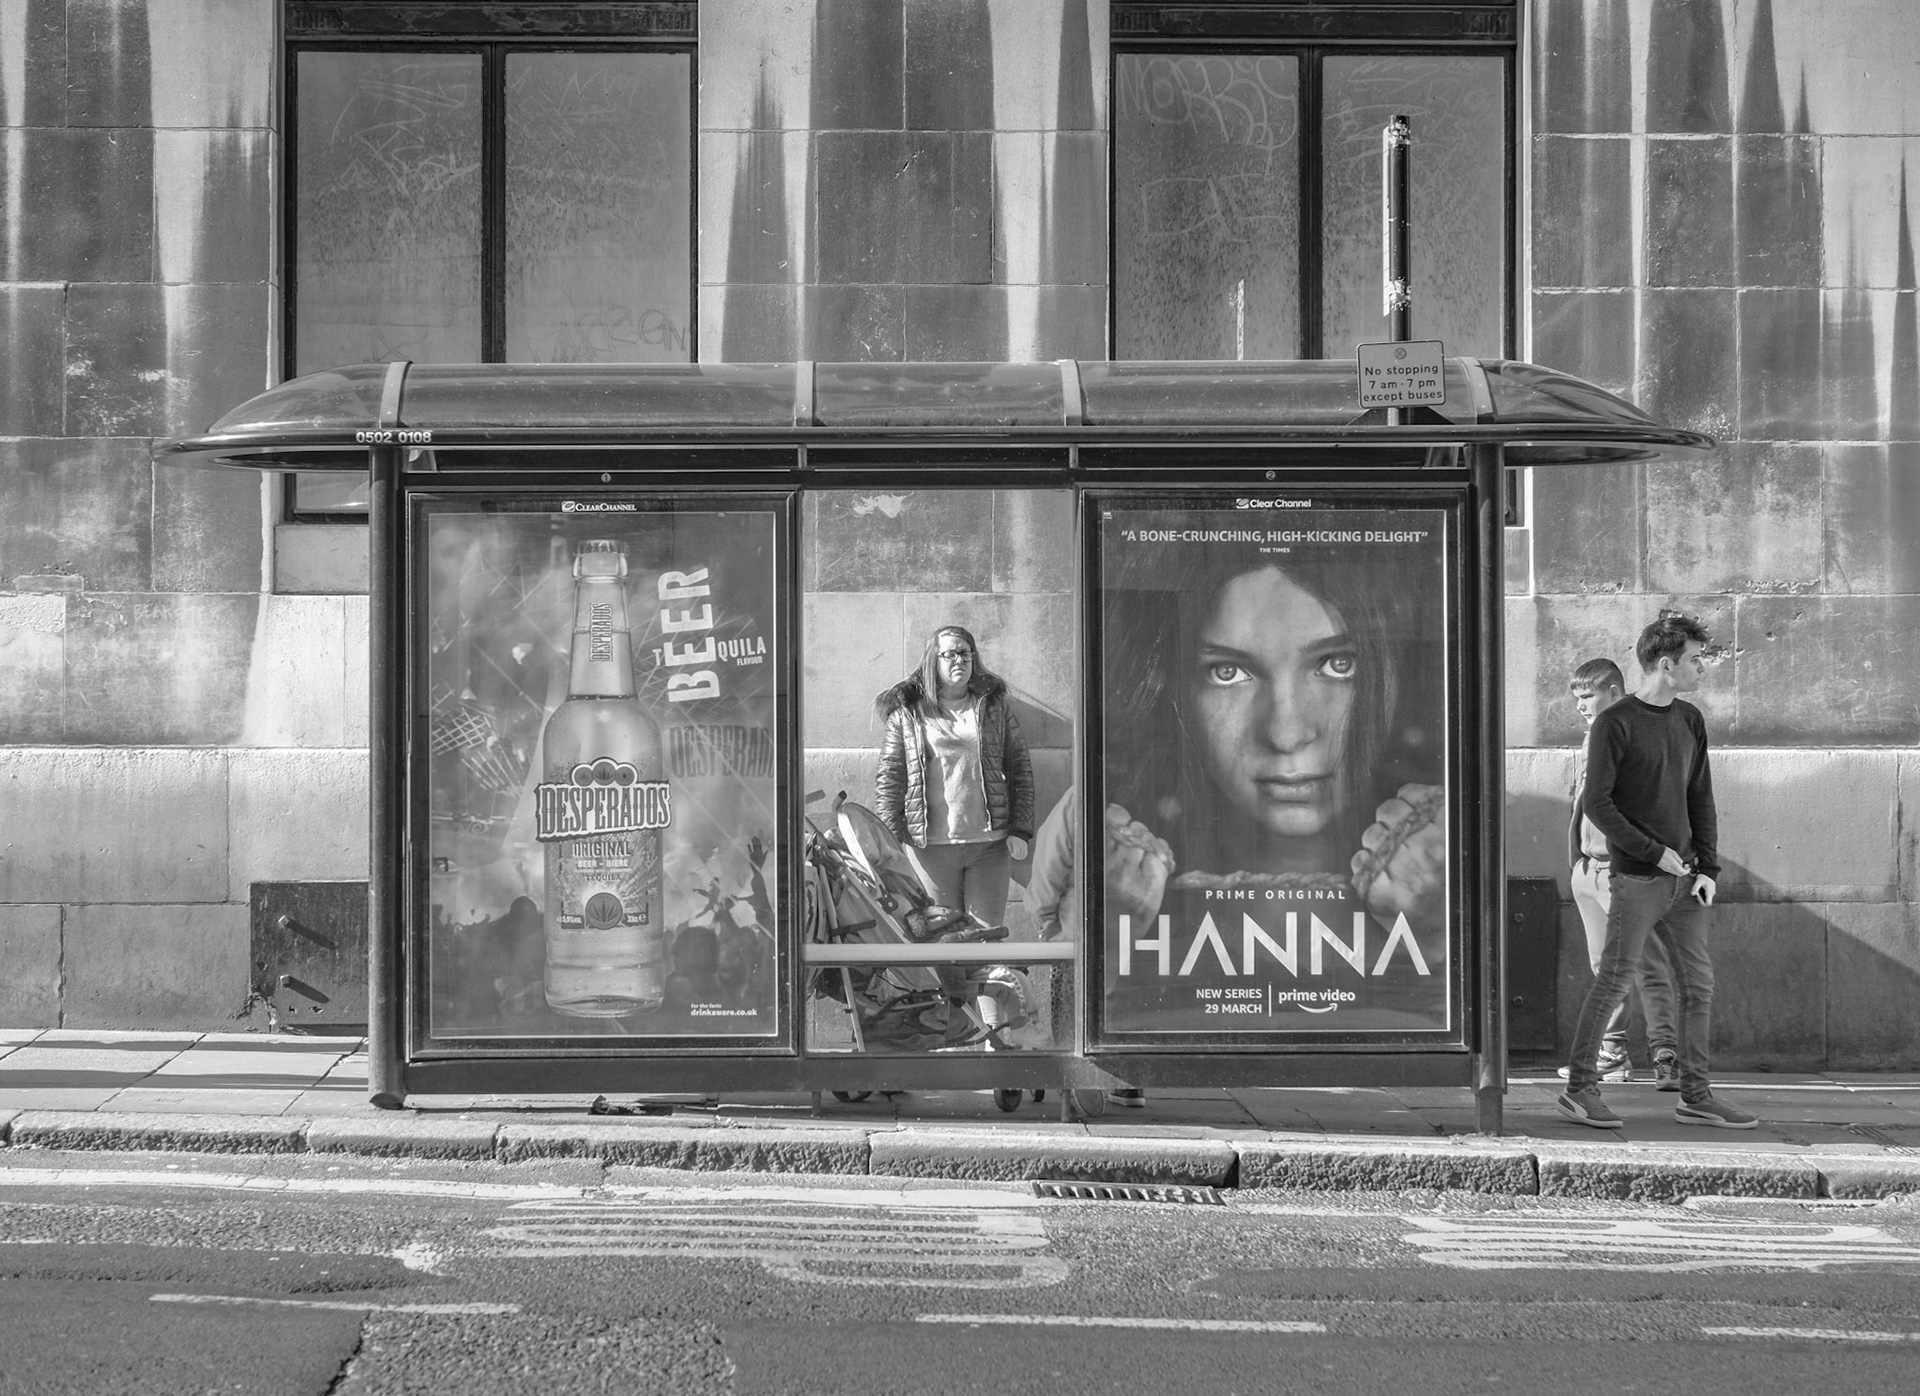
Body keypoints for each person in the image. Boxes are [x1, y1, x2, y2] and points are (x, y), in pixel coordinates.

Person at [1101, 525, 1448, 1032]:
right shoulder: (1112, 867)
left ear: (1394, 673)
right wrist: (1110, 937)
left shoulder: (1448, 857)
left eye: (1337, 664)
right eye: (1227, 673)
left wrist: (1438, 935)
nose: (1287, 734)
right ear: (1175, 696)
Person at [1556, 612, 1756, 1131]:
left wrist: (1707, 866)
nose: (1701, 669)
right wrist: (1653, 852)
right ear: (1666, 665)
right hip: (1637, 878)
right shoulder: (1615, 722)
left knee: (1698, 986)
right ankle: (1580, 1090)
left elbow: (1700, 795)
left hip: (1686, 881)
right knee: (1613, 981)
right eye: (1695, 660)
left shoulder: (1689, 719)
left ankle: (1696, 1096)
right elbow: (1598, 804)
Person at [874, 625, 1035, 1041]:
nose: (959, 660)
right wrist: (890, 845)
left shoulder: (992, 707)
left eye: (965, 653)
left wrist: (1020, 828)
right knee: (940, 949)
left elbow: (1019, 767)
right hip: (931, 850)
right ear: (934, 660)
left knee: (986, 942)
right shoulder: (908, 713)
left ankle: (996, 1039)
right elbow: (890, 780)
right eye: (949, 654)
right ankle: (952, 1037)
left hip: (988, 847)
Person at [1557, 658, 1679, 1089]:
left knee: (1647, 966)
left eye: (1587, 696)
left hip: (1624, 870)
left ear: (1613, 691)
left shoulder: (1634, 730)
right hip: (1589, 869)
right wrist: (1578, 862)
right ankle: (1613, 1053)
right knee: (1604, 968)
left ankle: (1666, 1055)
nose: (1580, 706)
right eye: (1576, 698)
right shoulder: (1595, 734)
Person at [1030, 789, 1144, 1107]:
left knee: (1070, 1004)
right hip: (1128, 927)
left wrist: (1044, 919)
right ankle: (1128, 1082)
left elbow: (1050, 862)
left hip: (1076, 928)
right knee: (1119, 1004)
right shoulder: (1147, 795)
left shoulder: (1079, 797)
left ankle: (1073, 1083)